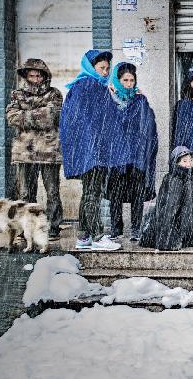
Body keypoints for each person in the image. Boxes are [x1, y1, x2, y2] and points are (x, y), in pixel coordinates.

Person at [59, 49, 121, 251]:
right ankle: (97, 236)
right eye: (101, 68)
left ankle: (84, 236)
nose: (105, 72)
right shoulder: (87, 86)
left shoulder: (89, 86)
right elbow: (85, 122)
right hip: (92, 151)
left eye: (107, 68)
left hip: (91, 150)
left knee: (89, 193)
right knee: (93, 193)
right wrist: (93, 148)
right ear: (91, 68)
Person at [5, 58, 64, 239]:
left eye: (39, 76)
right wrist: (39, 114)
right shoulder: (17, 94)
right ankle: (28, 227)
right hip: (25, 152)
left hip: (49, 151)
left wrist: (25, 116)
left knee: (52, 192)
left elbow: (51, 117)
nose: (36, 79)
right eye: (32, 76)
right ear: (26, 76)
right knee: (25, 193)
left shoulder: (54, 94)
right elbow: (12, 118)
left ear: (45, 76)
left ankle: (53, 227)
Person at [104, 62, 158, 241]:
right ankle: (116, 229)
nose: (129, 84)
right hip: (116, 156)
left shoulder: (140, 100)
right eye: (125, 80)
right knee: (115, 194)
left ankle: (136, 228)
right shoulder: (109, 100)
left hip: (136, 155)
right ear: (117, 81)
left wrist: (144, 149)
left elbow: (148, 127)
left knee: (137, 193)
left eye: (131, 80)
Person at [139, 146, 193, 251]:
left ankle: (188, 236)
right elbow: (168, 210)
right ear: (176, 163)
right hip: (176, 226)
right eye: (184, 161)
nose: (189, 164)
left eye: (191, 160)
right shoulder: (171, 180)